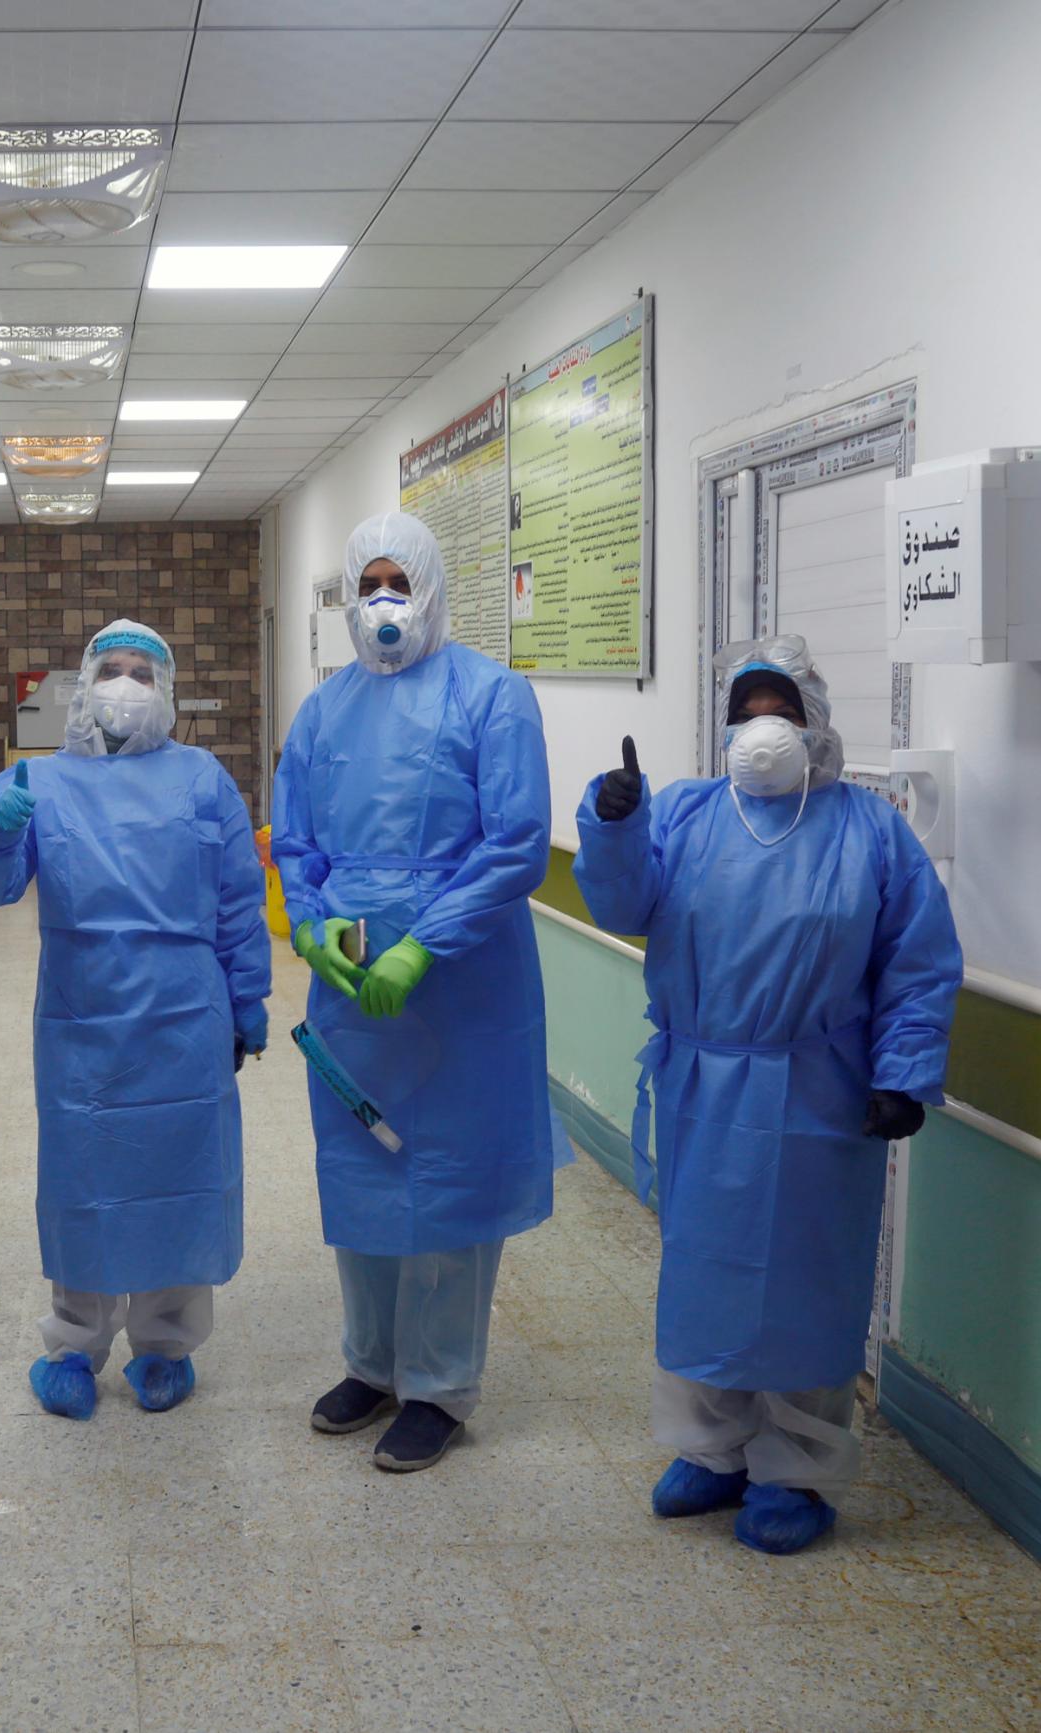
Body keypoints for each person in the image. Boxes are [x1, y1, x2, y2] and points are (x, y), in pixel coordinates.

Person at [574, 635, 961, 1556]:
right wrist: (612, 821)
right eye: (745, 710)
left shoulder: (870, 830)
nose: (761, 727)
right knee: (706, 1271)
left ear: (814, 720)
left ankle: (800, 1464)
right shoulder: (689, 814)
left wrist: (903, 1074)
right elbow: (622, 906)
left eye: (778, 707)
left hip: (821, 1093)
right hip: (705, 1083)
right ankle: (711, 1448)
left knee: (806, 1282)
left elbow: (918, 959)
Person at [271, 511, 557, 1472]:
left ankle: (438, 1385)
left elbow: (515, 842)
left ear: (432, 588)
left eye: (400, 581)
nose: (384, 602)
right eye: (369, 585)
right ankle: (373, 1362)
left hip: (464, 984)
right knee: (362, 1167)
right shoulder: (322, 710)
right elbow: (299, 840)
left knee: (446, 1181)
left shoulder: (492, 696)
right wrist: (318, 929)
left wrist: (423, 945)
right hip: (353, 983)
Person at [0, 620, 270, 1419]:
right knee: (83, 1180)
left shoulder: (202, 778)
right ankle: (73, 1341)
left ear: (164, 691)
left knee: (176, 1177)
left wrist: (249, 998)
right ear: (84, 685)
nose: (124, 685)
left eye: (141, 672)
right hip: (82, 1017)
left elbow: (237, 898)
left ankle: (165, 1343)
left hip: (183, 1013)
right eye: (110, 670)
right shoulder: (40, 782)